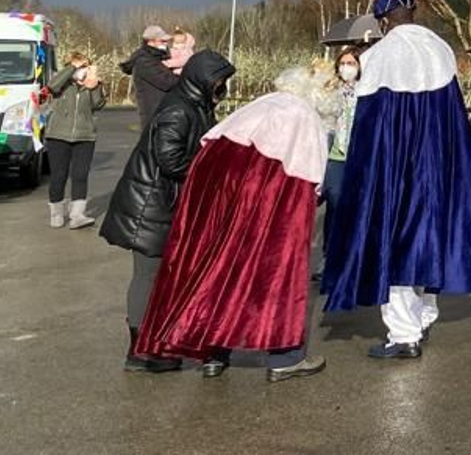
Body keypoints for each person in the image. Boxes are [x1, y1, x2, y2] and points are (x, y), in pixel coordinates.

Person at [322, 0, 471, 359]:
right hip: (438, 165)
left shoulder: (382, 56)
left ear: (385, 19)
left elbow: (373, 131)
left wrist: (363, 179)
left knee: (394, 238)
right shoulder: (439, 48)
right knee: (428, 234)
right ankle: (422, 314)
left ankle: (403, 335)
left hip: (396, 169)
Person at [135, 68, 335, 382]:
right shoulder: (305, 115)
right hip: (269, 191)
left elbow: (214, 142)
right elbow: (311, 173)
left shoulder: (261, 104)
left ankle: (214, 354)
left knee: (220, 263)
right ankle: (285, 358)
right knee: (277, 270)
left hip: (218, 184)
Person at [100, 48, 237, 372]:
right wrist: (210, 167)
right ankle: (141, 352)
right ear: (203, 79)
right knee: (146, 276)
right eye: (219, 82)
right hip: (149, 206)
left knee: (157, 276)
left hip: (160, 203)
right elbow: (170, 159)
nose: (222, 87)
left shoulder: (195, 104)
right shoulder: (179, 109)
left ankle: (152, 345)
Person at [44, 51, 106, 229]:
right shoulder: (62, 83)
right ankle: (56, 212)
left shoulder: (92, 84)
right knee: (59, 175)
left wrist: (94, 85)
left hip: (85, 135)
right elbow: (52, 86)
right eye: (79, 65)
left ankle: (77, 215)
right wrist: (73, 67)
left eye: (85, 66)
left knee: (80, 175)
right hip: (58, 135)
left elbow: (97, 105)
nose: (82, 70)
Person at [320, 46, 364, 258]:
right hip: (335, 155)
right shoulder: (330, 89)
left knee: (356, 205)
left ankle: (352, 254)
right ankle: (329, 254)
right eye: (343, 63)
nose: (346, 68)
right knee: (335, 201)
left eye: (351, 63)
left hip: (358, 154)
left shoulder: (366, 90)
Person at [119, 24, 177, 129]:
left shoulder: (157, 59)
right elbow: (168, 82)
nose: (166, 44)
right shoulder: (144, 62)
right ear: (150, 42)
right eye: (162, 41)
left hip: (163, 113)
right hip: (154, 116)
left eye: (166, 41)